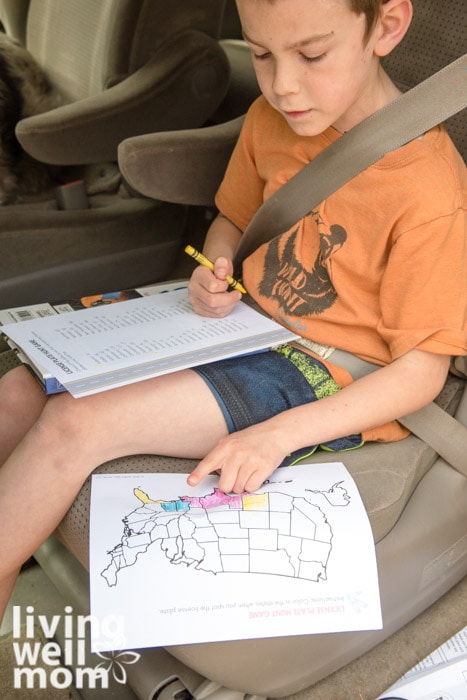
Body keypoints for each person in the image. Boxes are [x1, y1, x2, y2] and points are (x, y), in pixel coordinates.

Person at [0, 0, 465, 623]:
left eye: (312, 54)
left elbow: (420, 373)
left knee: (73, 425)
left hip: (326, 371)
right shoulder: (270, 120)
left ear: (385, 27)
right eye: (263, 55)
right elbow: (235, 220)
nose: (283, 85)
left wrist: (277, 436)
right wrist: (215, 268)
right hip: (237, 328)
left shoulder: (426, 187)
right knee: (14, 395)